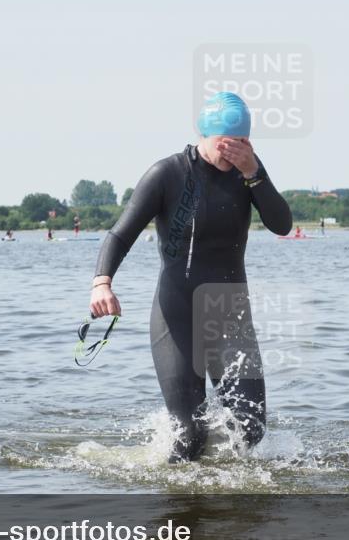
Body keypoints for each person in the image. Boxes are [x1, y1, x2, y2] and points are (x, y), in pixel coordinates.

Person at [89, 92, 292, 462]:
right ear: (205, 135)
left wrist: (254, 173)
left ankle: (225, 487)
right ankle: (177, 489)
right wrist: (102, 282)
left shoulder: (249, 171)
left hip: (229, 313)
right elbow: (120, 234)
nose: (233, 153)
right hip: (177, 314)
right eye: (225, 144)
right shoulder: (167, 174)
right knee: (189, 435)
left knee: (251, 427)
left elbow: (282, 225)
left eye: (242, 143)